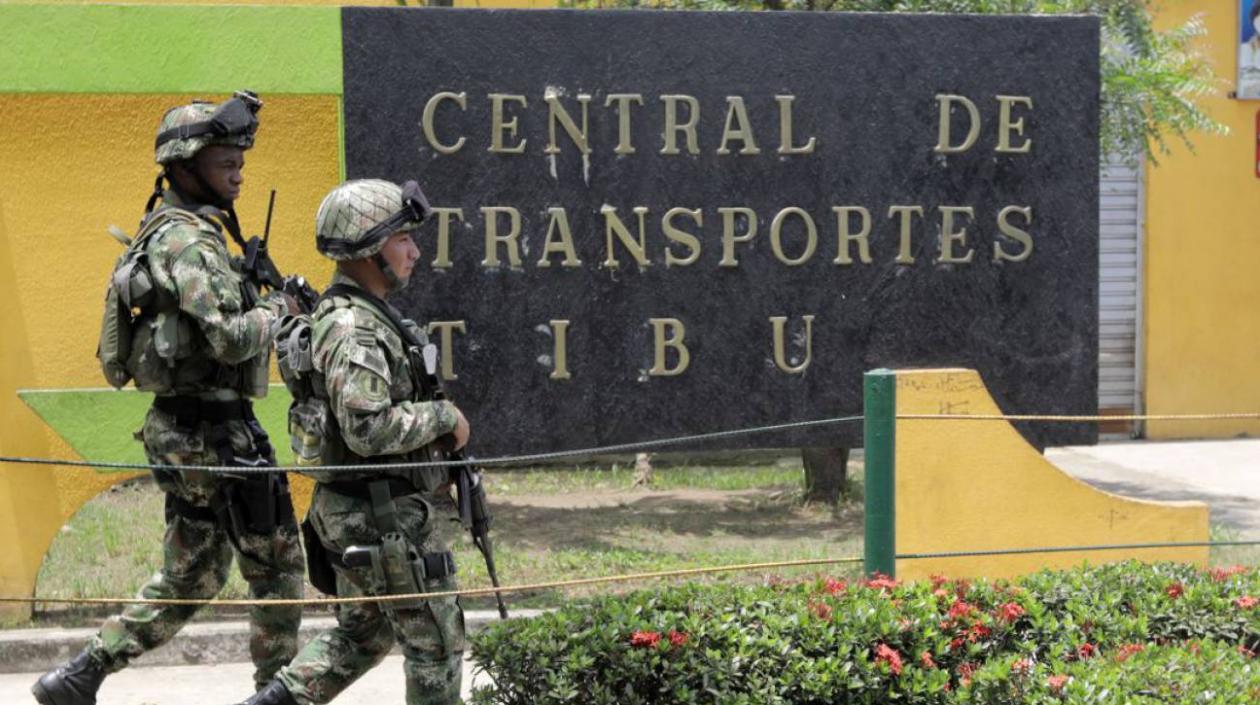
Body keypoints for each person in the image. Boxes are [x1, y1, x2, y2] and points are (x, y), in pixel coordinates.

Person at [32, 92, 304, 705]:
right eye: (223, 158)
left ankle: (78, 675)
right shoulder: (187, 241)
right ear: (183, 165)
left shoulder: (187, 231)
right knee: (279, 574)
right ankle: (273, 698)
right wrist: (276, 310)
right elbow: (231, 341)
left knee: (193, 575)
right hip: (216, 435)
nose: (238, 168)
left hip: (189, 430)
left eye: (240, 157)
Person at [238, 179, 471, 705]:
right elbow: (367, 429)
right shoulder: (354, 328)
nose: (414, 251)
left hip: (361, 511)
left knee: (363, 636)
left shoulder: (356, 314)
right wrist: (444, 416)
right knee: (436, 645)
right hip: (384, 518)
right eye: (402, 240)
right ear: (368, 248)